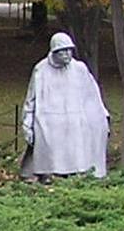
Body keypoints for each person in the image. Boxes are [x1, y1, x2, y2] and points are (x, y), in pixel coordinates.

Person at [20, 32, 109, 182]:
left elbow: (91, 95)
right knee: (50, 151)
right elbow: (31, 100)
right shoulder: (41, 70)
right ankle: (47, 176)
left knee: (76, 151)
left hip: (74, 121)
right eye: (63, 51)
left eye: (70, 50)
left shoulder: (79, 69)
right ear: (54, 52)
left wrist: (101, 116)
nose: (68, 54)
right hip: (48, 122)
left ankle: (77, 176)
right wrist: (27, 124)